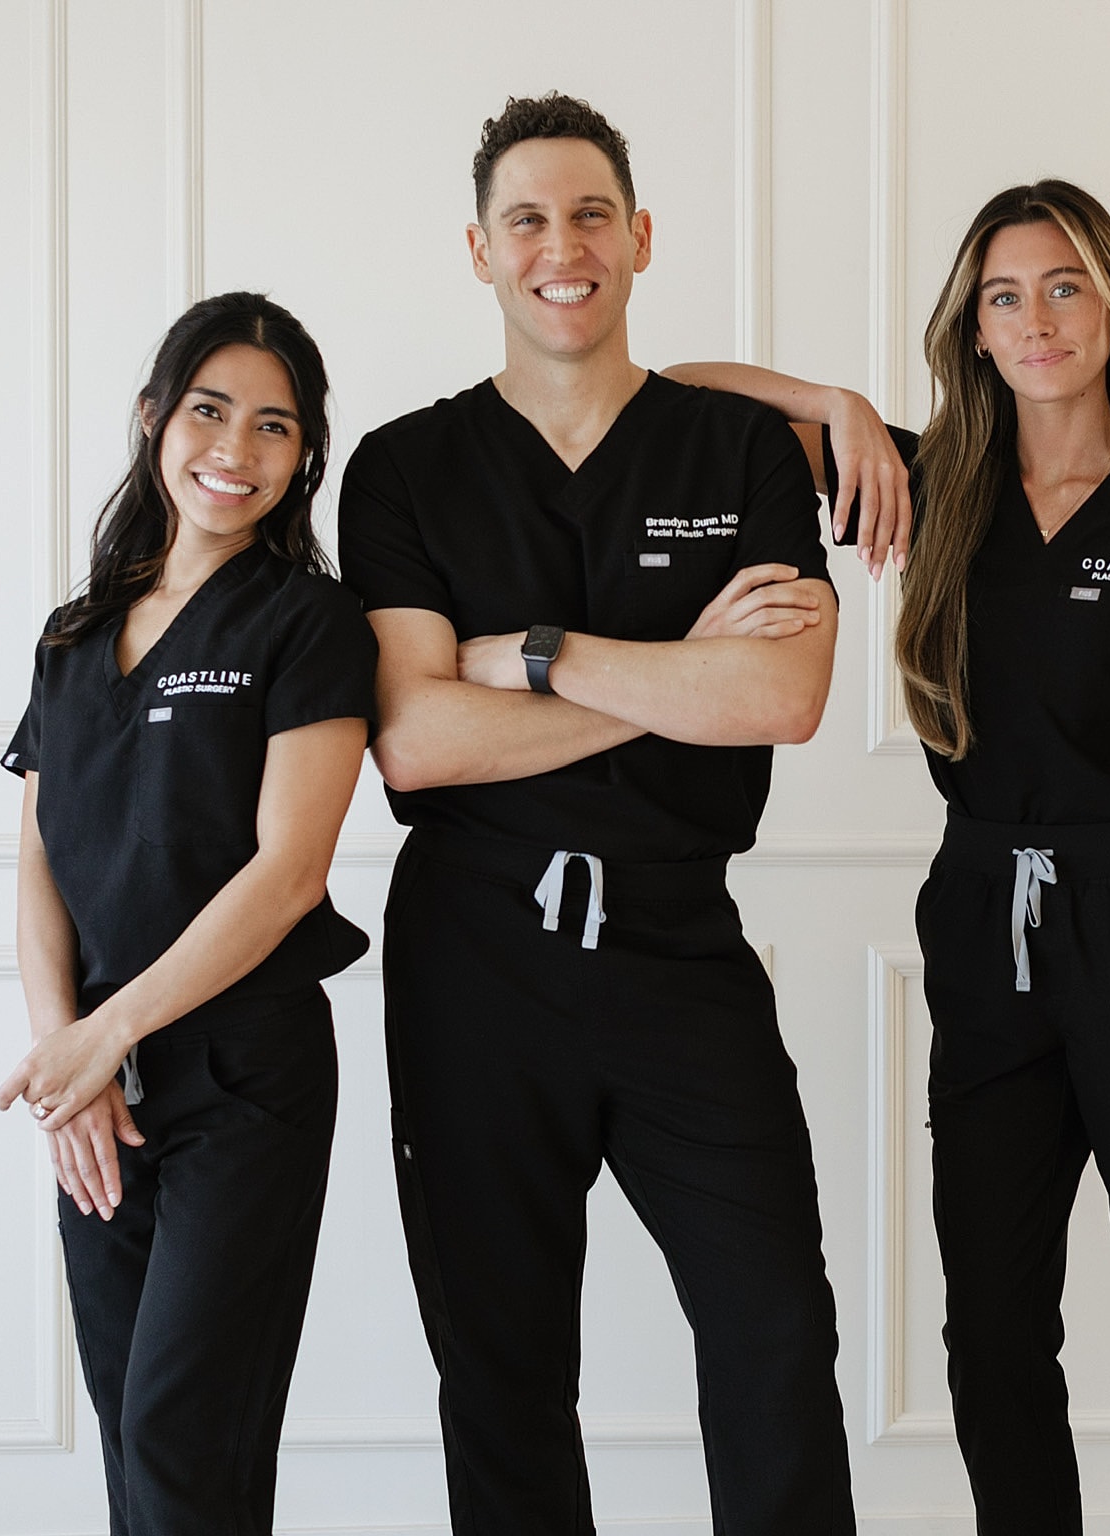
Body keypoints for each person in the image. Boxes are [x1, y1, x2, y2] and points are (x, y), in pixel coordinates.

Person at [672, 179, 1110, 1535]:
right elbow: (676, 398)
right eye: (1004, 294)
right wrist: (844, 409)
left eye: (1063, 286)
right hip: (984, 919)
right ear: (971, 327)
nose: (1038, 318)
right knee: (991, 1325)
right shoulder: (928, 483)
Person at [336, 93, 859, 1535]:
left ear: (639, 238)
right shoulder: (405, 465)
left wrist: (545, 655)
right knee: (499, 1371)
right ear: (479, 249)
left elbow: (786, 700)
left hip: (681, 948)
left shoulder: (739, 449)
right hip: (476, 960)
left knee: (774, 1341)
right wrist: (681, 672)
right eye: (526, 220)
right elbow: (420, 741)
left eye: (587, 215)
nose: (559, 247)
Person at [0, 292, 379, 1536]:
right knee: (131, 1432)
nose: (237, 449)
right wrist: (74, 1063)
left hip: (242, 1077)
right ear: (155, 418)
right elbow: (41, 861)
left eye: (276, 426)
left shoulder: (309, 623)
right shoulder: (74, 636)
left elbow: (288, 873)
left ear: (304, 454)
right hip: (99, 1090)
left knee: (184, 1422)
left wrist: (108, 1037)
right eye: (210, 411)